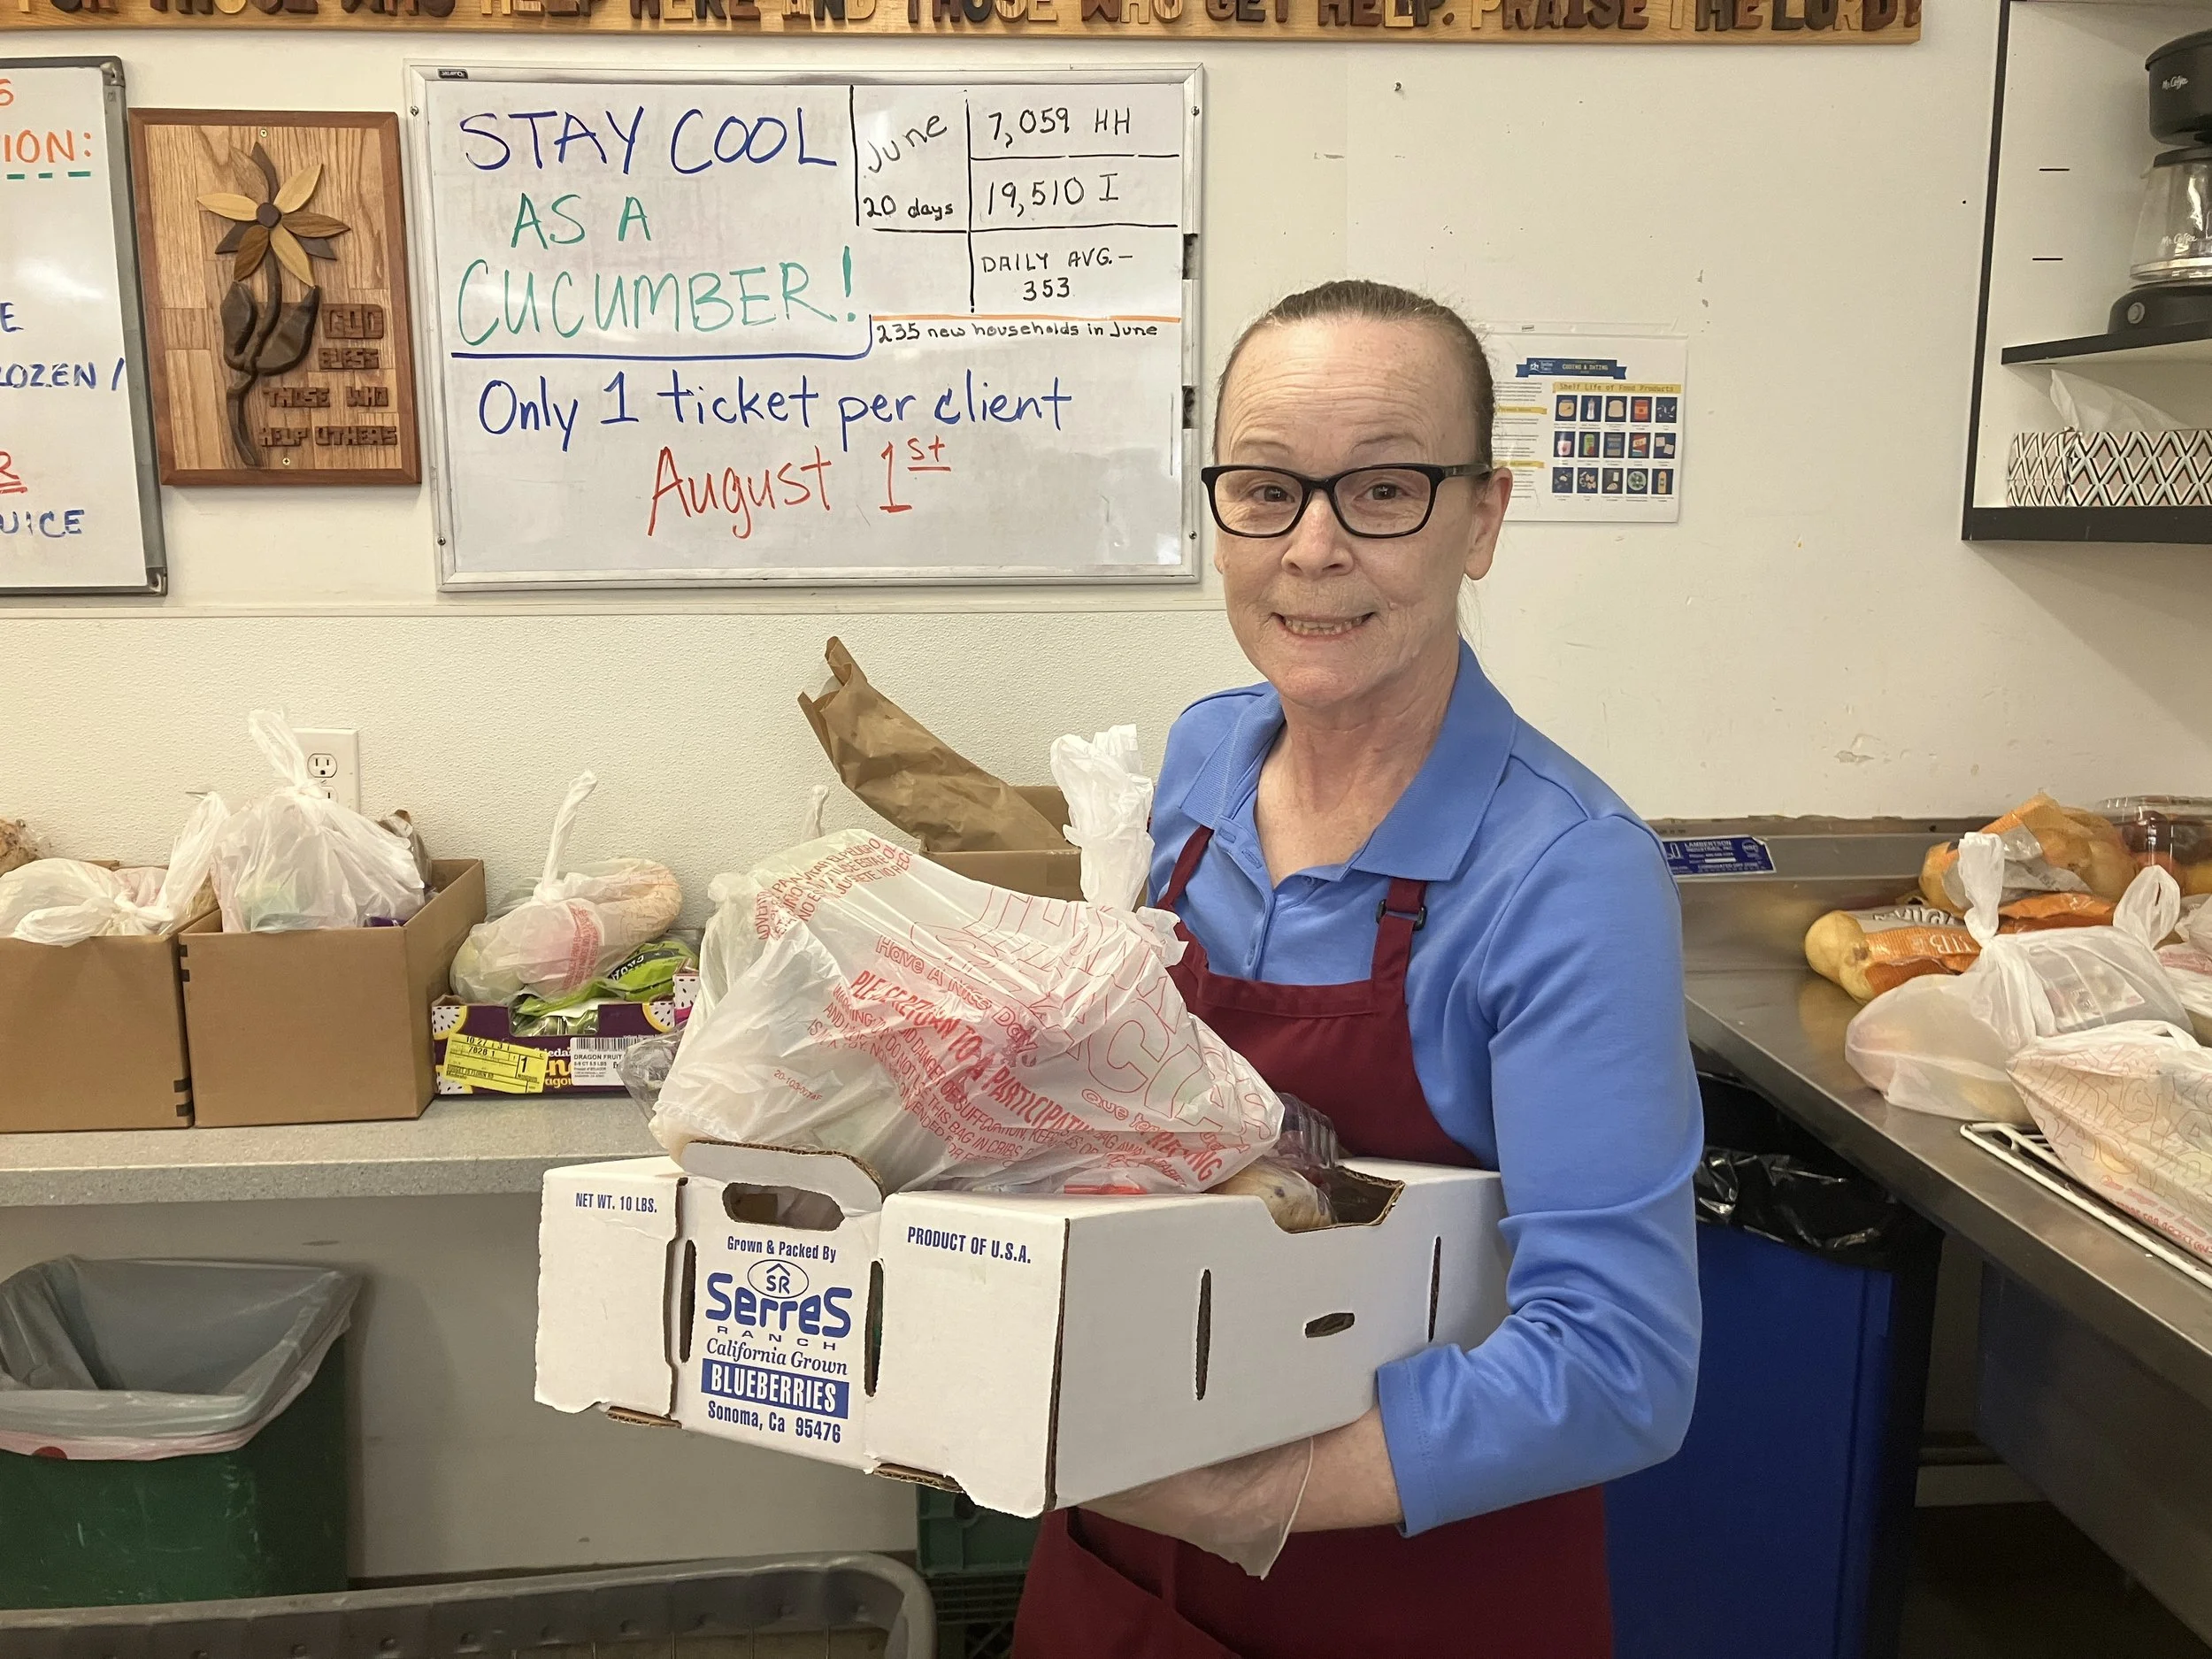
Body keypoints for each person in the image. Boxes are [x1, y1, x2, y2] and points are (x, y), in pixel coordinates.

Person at [1012, 280, 1702, 1659]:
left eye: (1384, 489)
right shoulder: (1203, 767)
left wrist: (1251, 1487)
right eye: (1266, 489)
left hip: (1410, 1590)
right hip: (1118, 1566)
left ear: (1484, 516)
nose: (1312, 548)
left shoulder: (1566, 875)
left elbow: (1621, 1368)